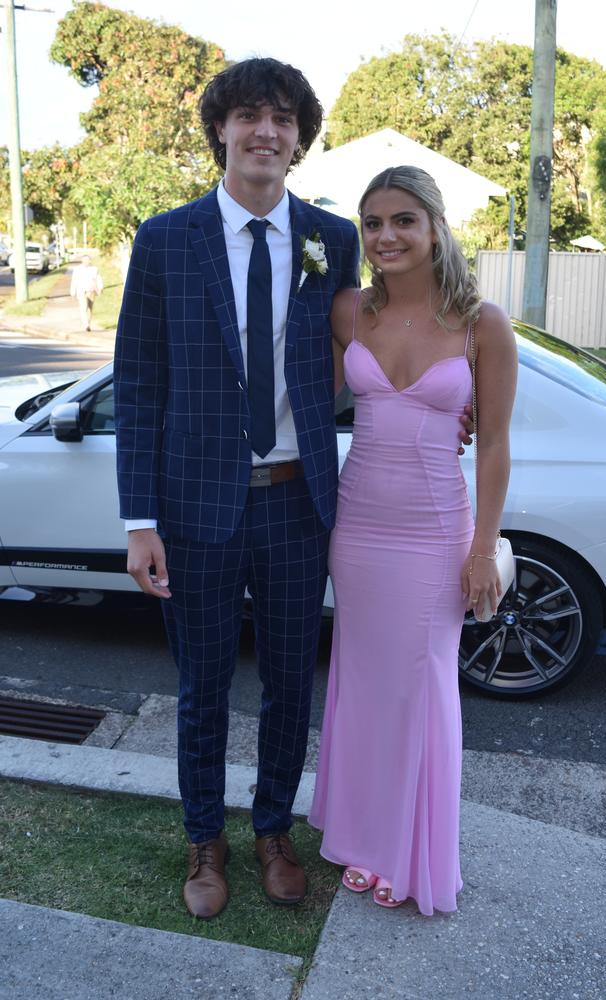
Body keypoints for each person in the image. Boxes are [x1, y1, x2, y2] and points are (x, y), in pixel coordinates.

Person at [114, 59, 473, 920]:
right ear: (221, 131)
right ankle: (206, 839)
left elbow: (376, 349)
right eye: (247, 116)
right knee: (202, 684)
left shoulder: (332, 240)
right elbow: (137, 385)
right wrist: (139, 521)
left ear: (300, 138)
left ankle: (274, 828)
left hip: (299, 504)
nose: (264, 132)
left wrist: (444, 409)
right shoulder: (166, 239)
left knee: (288, 681)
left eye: (281, 118)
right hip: (194, 508)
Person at [309, 165, 517, 916]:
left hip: (435, 534)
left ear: (434, 227)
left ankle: (409, 845)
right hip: (357, 527)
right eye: (372, 224)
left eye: (402, 220)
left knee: (421, 686)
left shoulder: (481, 323)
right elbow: (307, 401)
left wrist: (481, 548)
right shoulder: (347, 313)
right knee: (362, 682)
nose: (385, 236)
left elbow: (492, 444)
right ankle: (361, 835)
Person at [70, 254, 103, 331]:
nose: (86, 261)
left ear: (90, 261)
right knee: (83, 307)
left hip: (91, 291)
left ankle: (88, 323)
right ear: (82, 261)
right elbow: (74, 280)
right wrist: (73, 291)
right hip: (81, 291)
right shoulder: (77, 269)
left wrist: (100, 287)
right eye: (85, 260)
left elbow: (98, 278)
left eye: (88, 260)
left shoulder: (94, 269)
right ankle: (86, 325)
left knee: (90, 309)